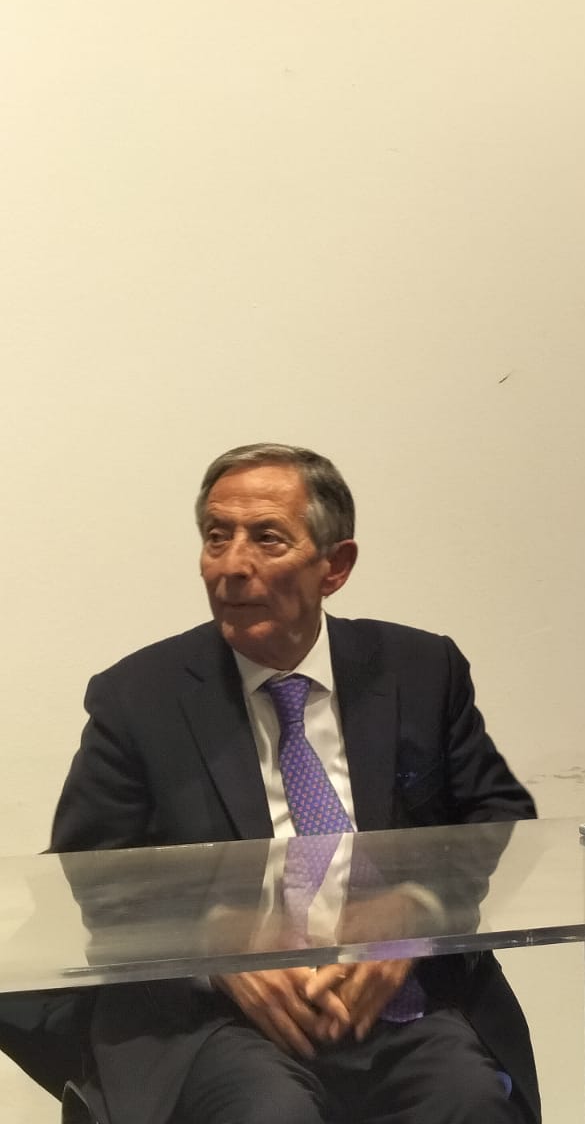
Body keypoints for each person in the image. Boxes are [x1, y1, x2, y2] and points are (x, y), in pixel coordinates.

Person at [45, 443, 540, 1124]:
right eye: (216, 537)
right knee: (269, 1114)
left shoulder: (421, 669)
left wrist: (416, 907)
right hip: (217, 1019)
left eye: (266, 539)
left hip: (396, 1002)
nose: (231, 565)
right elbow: (90, 873)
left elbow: (496, 816)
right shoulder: (140, 697)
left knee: (471, 1101)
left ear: (335, 566)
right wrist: (213, 939)